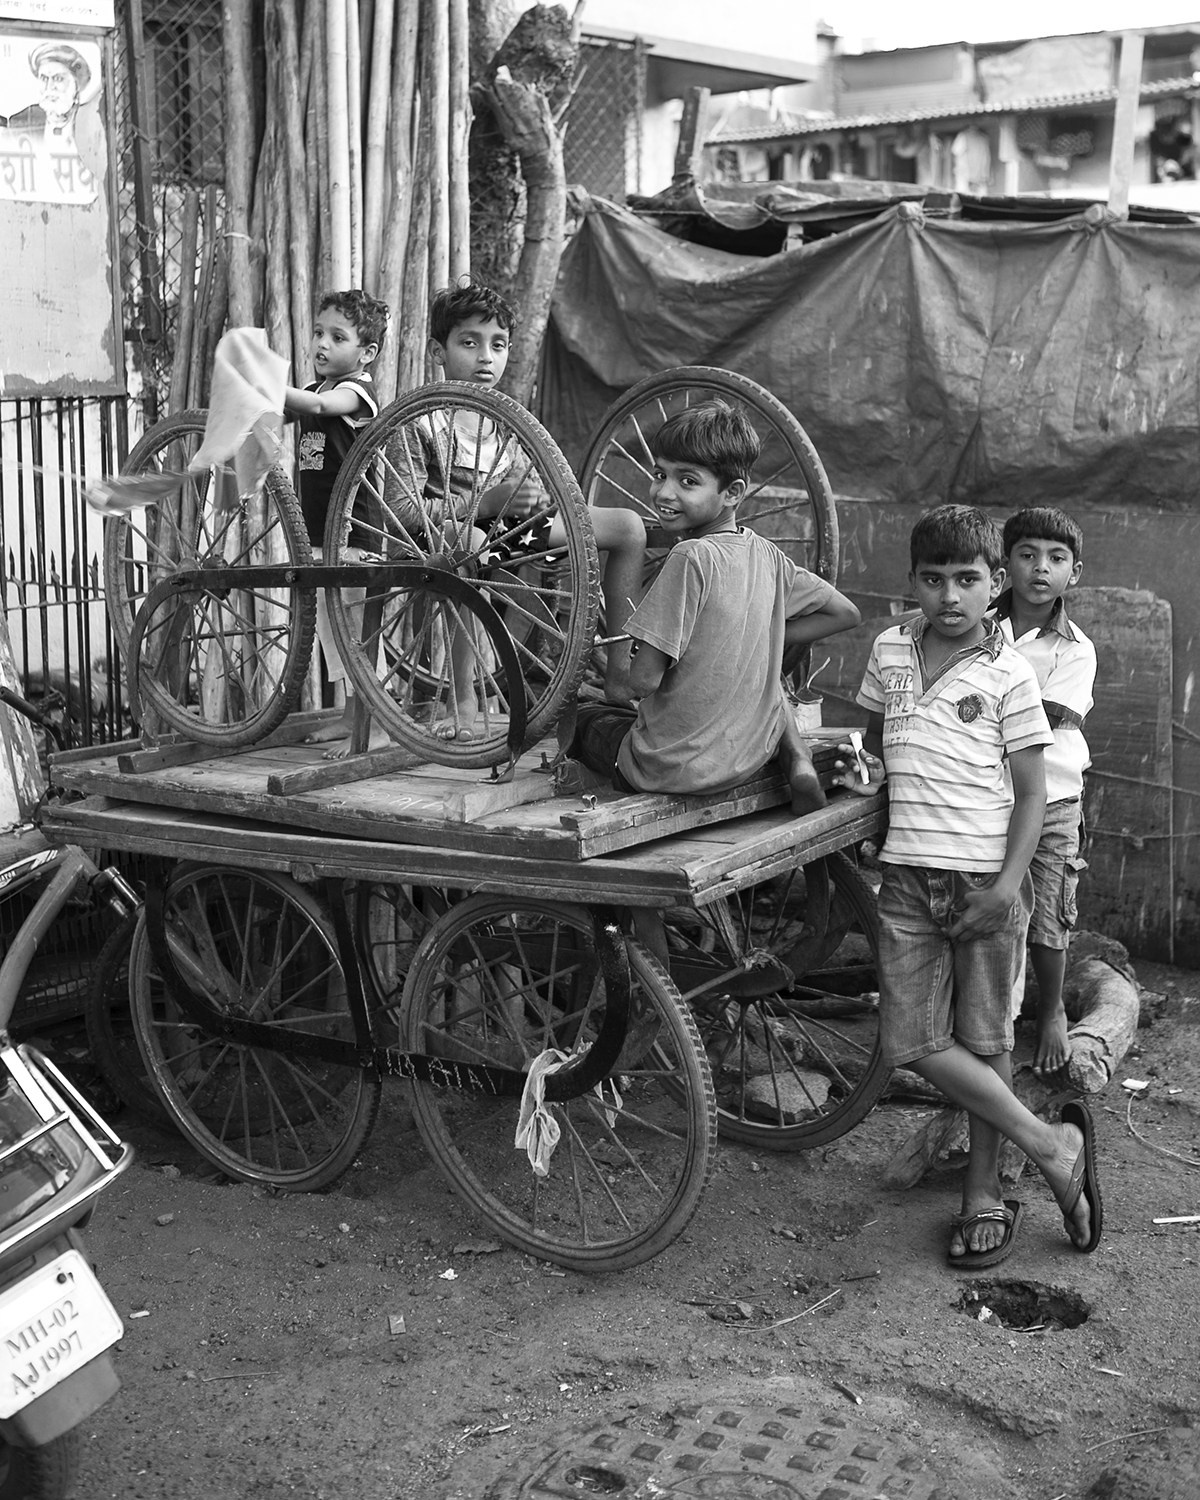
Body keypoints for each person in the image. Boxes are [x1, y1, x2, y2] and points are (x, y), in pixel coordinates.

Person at [853, 504, 1102, 1267]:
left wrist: (1005, 888)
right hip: (905, 876)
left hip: (984, 881)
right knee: (908, 1041)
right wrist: (861, 771)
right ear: (913, 584)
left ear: (994, 584)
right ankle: (1051, 1143)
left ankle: (983, 1195)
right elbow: (871, 743)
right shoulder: (890, 649)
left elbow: (1034, 795)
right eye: (934, 581)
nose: (950, 597)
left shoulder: (1010, 673)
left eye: (968, 580)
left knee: (986, 1038)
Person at [568, 399, 861, 808]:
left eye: (688, 481)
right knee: (767, 685)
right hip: (747, 757)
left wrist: (621, 658)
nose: (664, 492)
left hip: (667, 769)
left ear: (733, 492)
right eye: (659, 474)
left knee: (580, 717)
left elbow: (639, 684)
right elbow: (845, 612)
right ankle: (798, 759)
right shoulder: (769, 556)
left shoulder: (689, 558)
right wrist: (759, 635)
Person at [396, 280, 647, 735]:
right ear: (438, 351)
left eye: (498, 345)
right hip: (436, 544)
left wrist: (531, 498)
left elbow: (532, 500)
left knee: (627, 527)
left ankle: (621, 675)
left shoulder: (505, 421)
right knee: (471, 542)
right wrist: (485, 501)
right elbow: (404, 511)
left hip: (506, 534)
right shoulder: (420, 418)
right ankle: (464, 694)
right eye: (469, 343)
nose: (485, 357)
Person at [995, 507, 1096, 1078]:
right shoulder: (978, 621)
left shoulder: (1075, 649)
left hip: (1053, 796)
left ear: (1074, 573)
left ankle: (1052, 1006)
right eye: (1027, 554)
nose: (1040, 568)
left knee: (1051, 911)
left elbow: (1047, 717)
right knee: (995, 903)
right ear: (1005, 563)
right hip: (988, 795)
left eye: (1056, 559)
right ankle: (993, 1018)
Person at [283, 289, 390, 754]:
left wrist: (265, 385)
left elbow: (324, 410)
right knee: (333, 630)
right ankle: (351, 717)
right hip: (319, 532)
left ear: (366, 353)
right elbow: (288, 411)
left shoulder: (356, 394)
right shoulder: (311, 392)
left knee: (357, 632)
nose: (322, 344)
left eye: (337, 336)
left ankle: (379, 724)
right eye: (319, 332)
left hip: (355, 532)